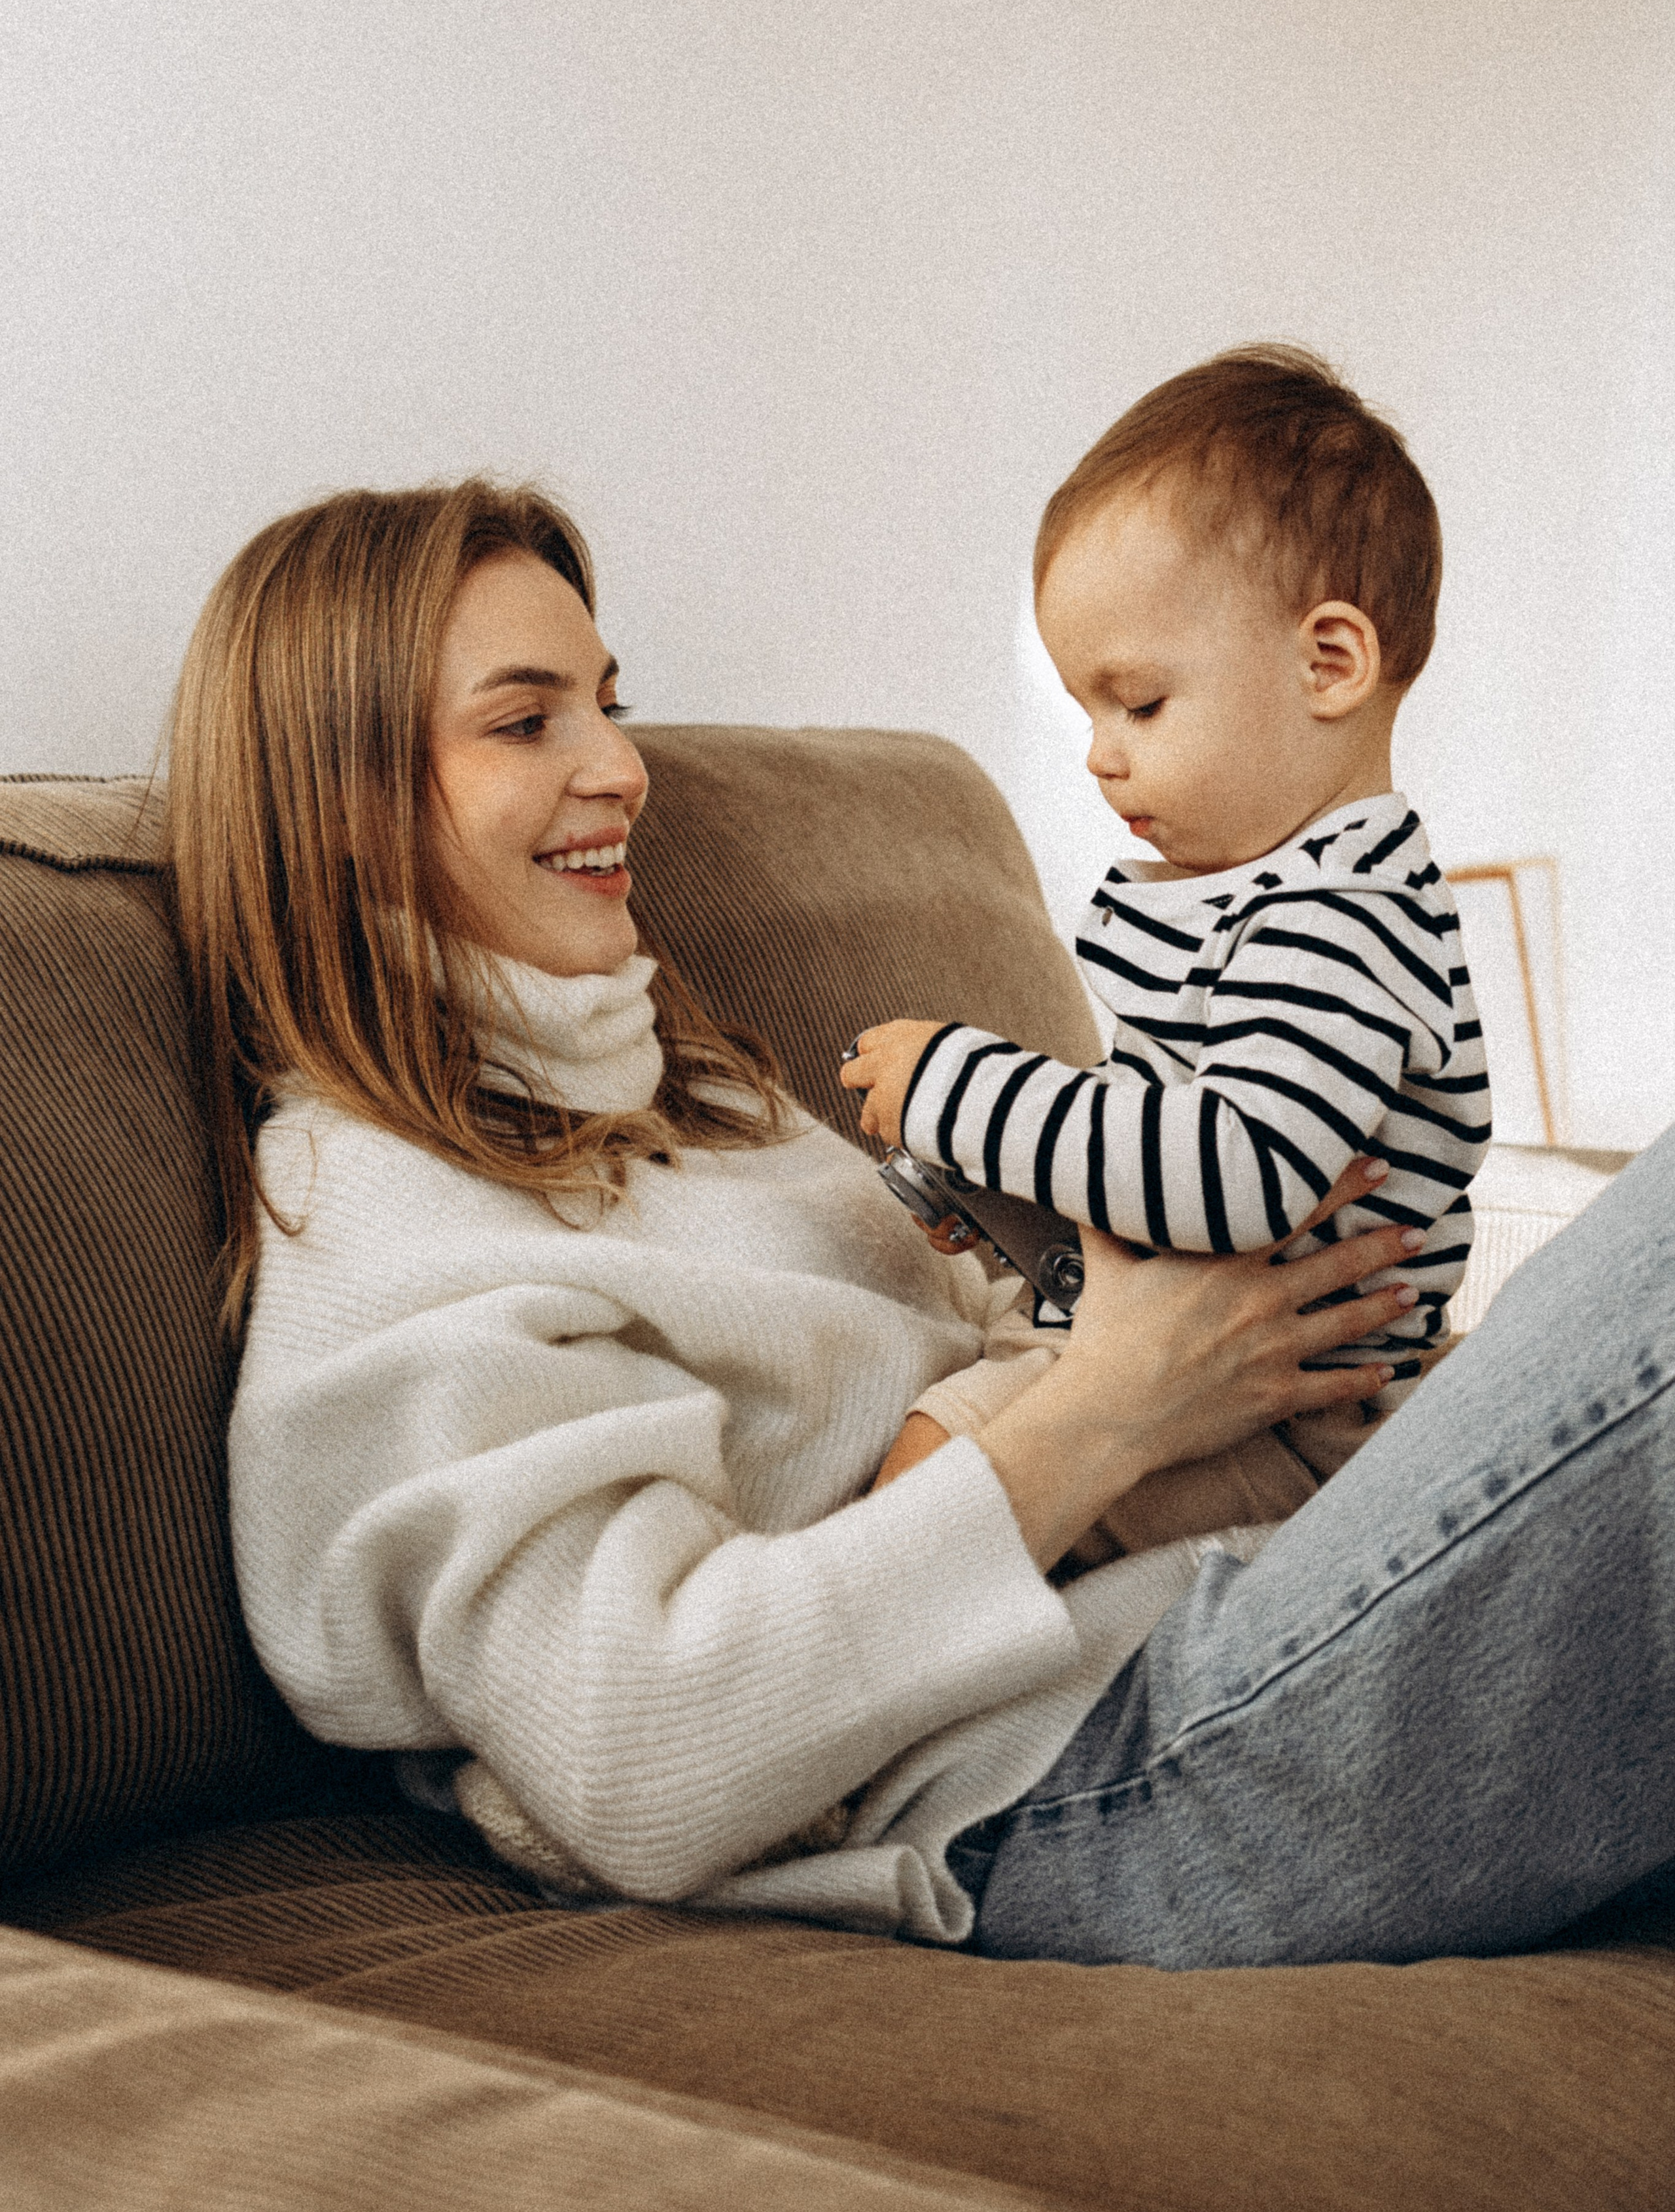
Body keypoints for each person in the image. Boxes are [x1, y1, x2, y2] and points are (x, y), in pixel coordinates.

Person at [173, 476, 1673, 1969]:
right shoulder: (380, 1227)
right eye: (526, 721)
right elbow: (638, 1754)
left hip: (1257, 1576)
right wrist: (1115, 1404)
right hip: (1088, 1771)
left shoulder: (695, 1099)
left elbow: (992, 1355)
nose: (621, 767)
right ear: (344, 804)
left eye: (607, 704)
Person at [843, 349, 1491, 1475]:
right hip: (1195, 1379)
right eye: (1088, 709)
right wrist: (1013, 1199)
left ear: (1329, 662)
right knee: (926, 1444)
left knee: (930, 1476)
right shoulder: (1277, 895)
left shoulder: (1344, 918)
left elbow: (1239, 1171)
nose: (1101, 756)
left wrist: (965, 1089)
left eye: (1138, 702)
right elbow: (1163, 1147)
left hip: (1289, 1433)